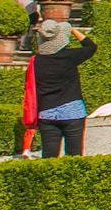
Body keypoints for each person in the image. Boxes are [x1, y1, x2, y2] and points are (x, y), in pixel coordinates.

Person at [31, 18, 99, 156]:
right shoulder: (69, 57)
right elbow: (90, 47)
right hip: (72, 110)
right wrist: (72, 30)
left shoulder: (36, 61)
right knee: (74, 156)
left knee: (49, 158)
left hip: (47, 112)